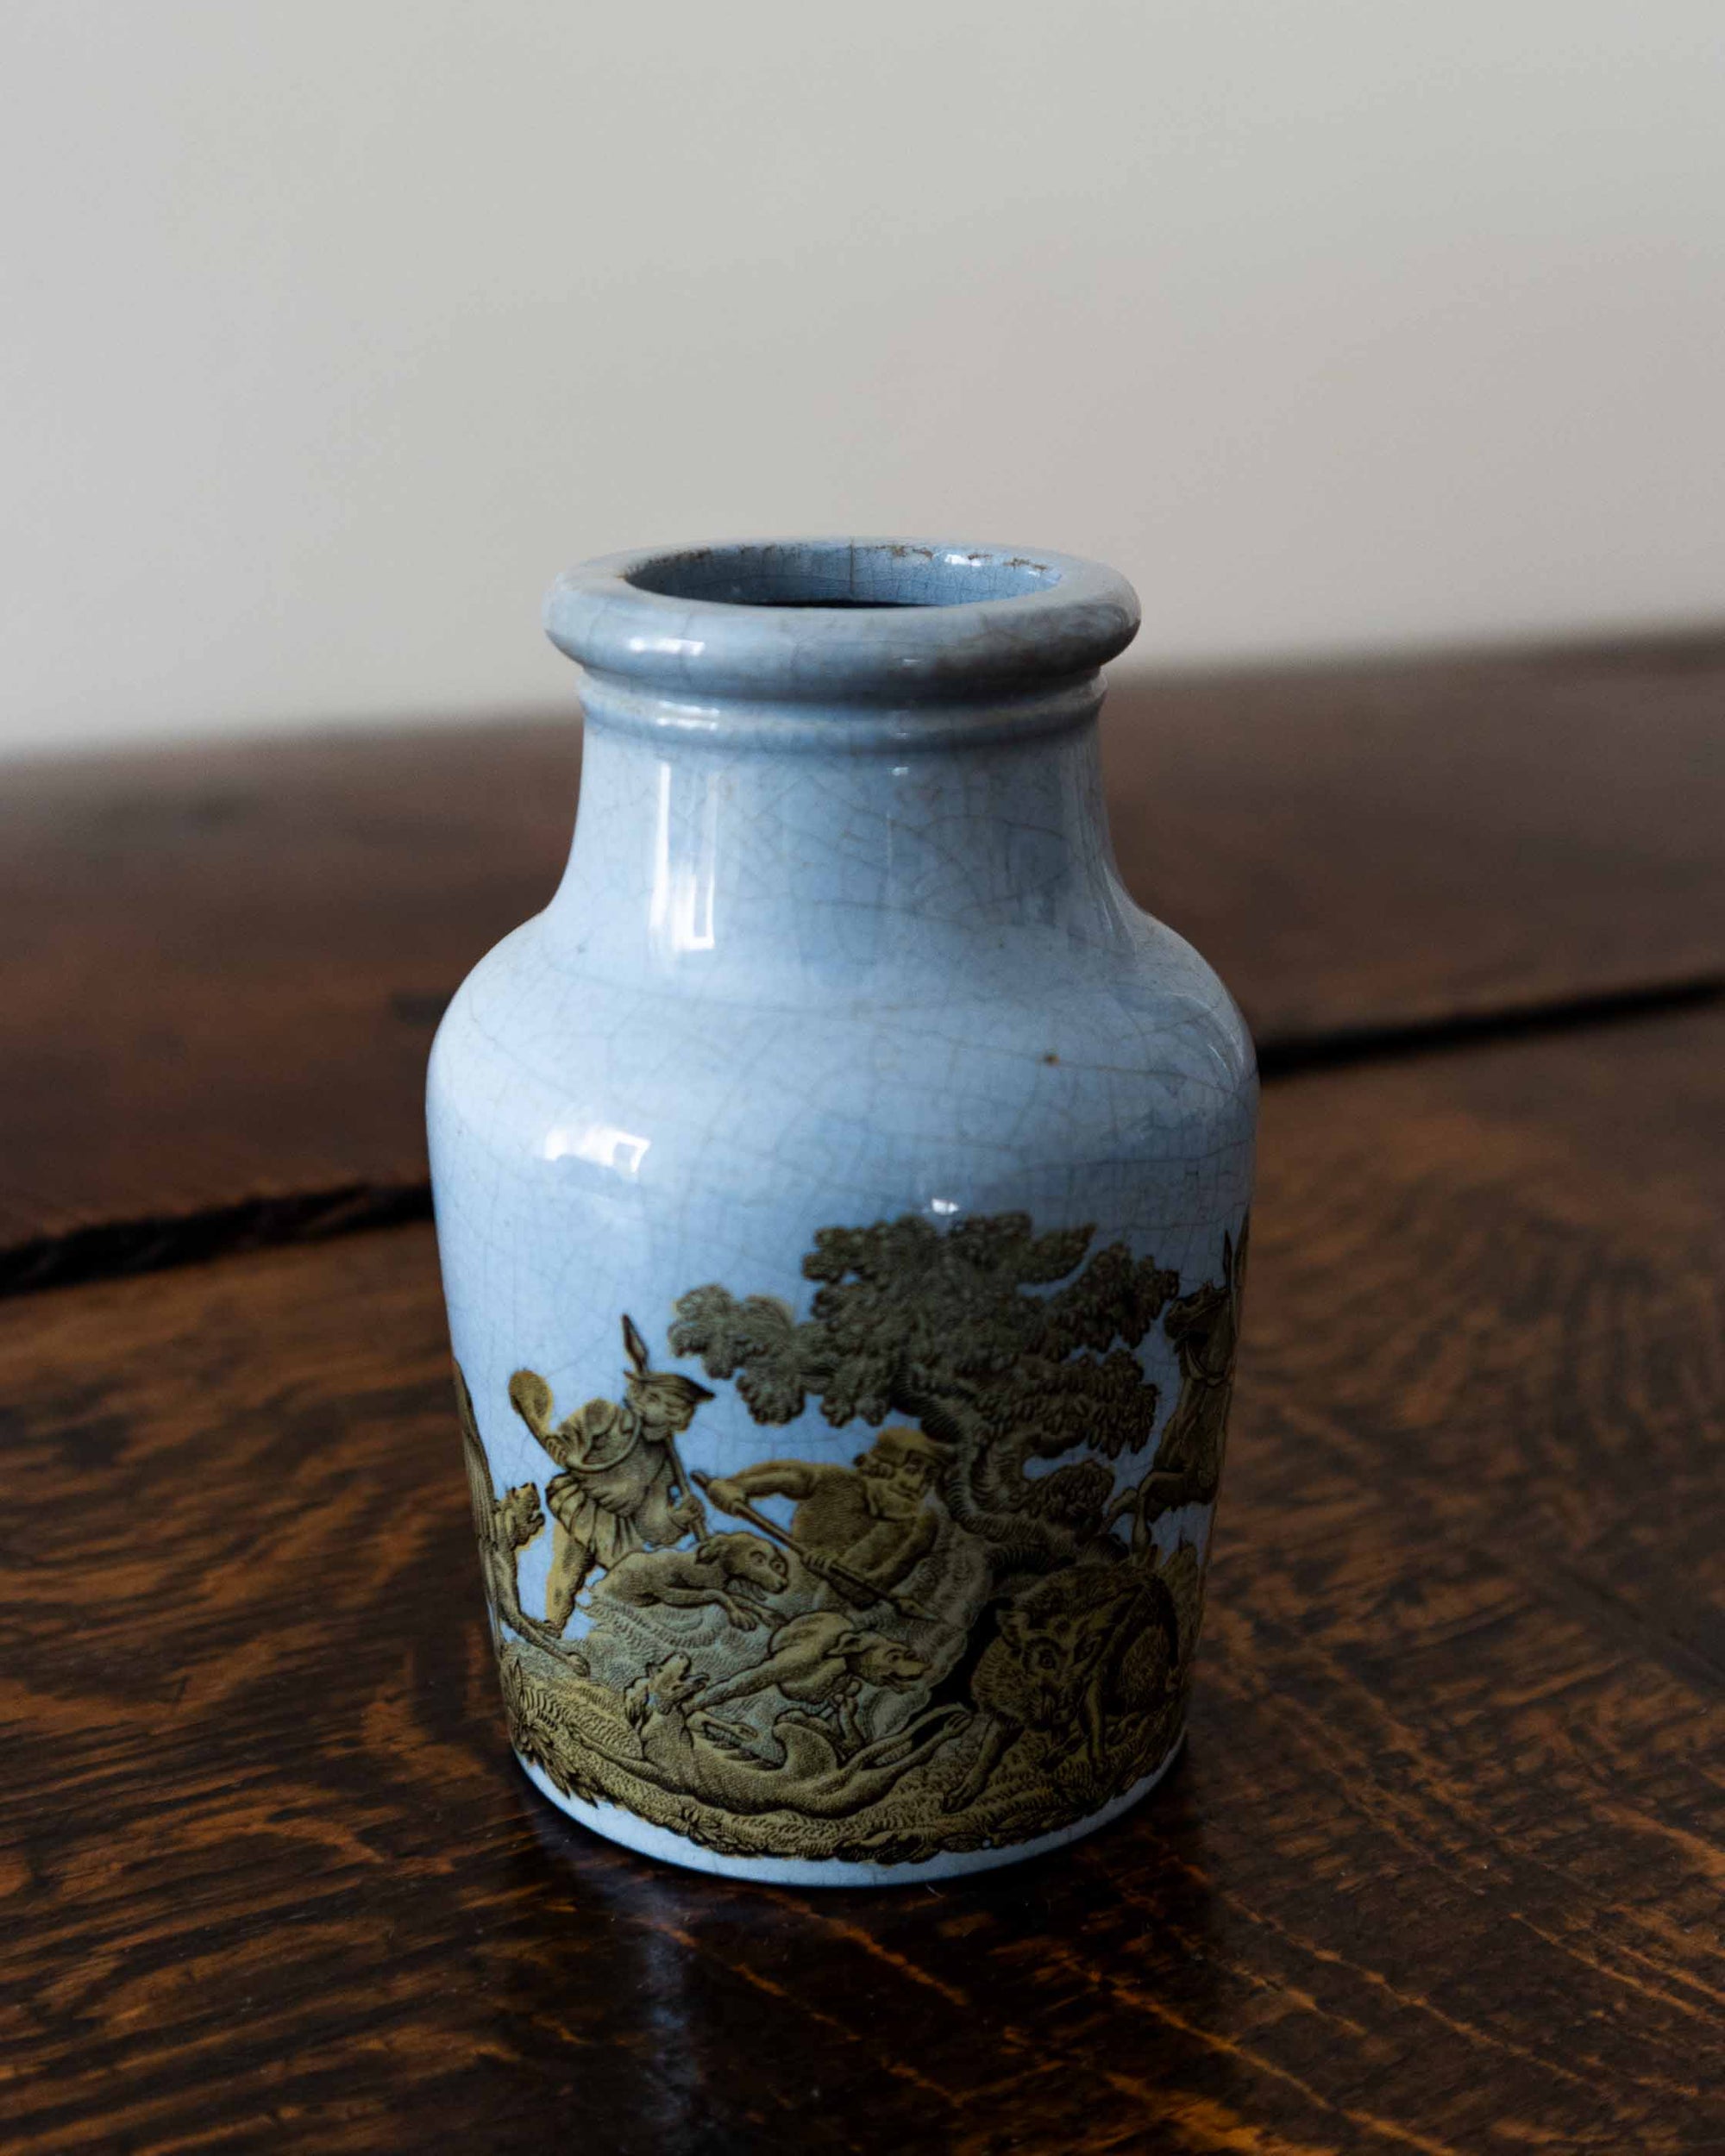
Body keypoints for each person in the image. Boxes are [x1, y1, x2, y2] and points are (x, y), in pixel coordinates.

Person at [509, 1316, 712, 1635]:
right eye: (674, 1412)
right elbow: (564, 1447)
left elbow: (651, 1523)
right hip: (580, 1501)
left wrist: (678, 1519)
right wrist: (567, 1452)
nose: (681, 1425)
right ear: (645, 1400)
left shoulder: (663, 1462)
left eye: (684, 1417)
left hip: (619, 1526)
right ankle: (554, 1627)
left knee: (635, 1580)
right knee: (568, 1566)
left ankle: (613, 1639)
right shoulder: (603, 1415)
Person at [702, 1426, 948, 1611]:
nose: (915, 1486)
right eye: (911, 1471)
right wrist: (737, 1487)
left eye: (928, 1479)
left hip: (828, 1613)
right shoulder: (840, 1482)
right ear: (879, 1467)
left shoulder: (919, 1525)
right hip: (774, 1585)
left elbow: (868, 1592)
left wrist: (832, 1571)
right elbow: (792, 1477)